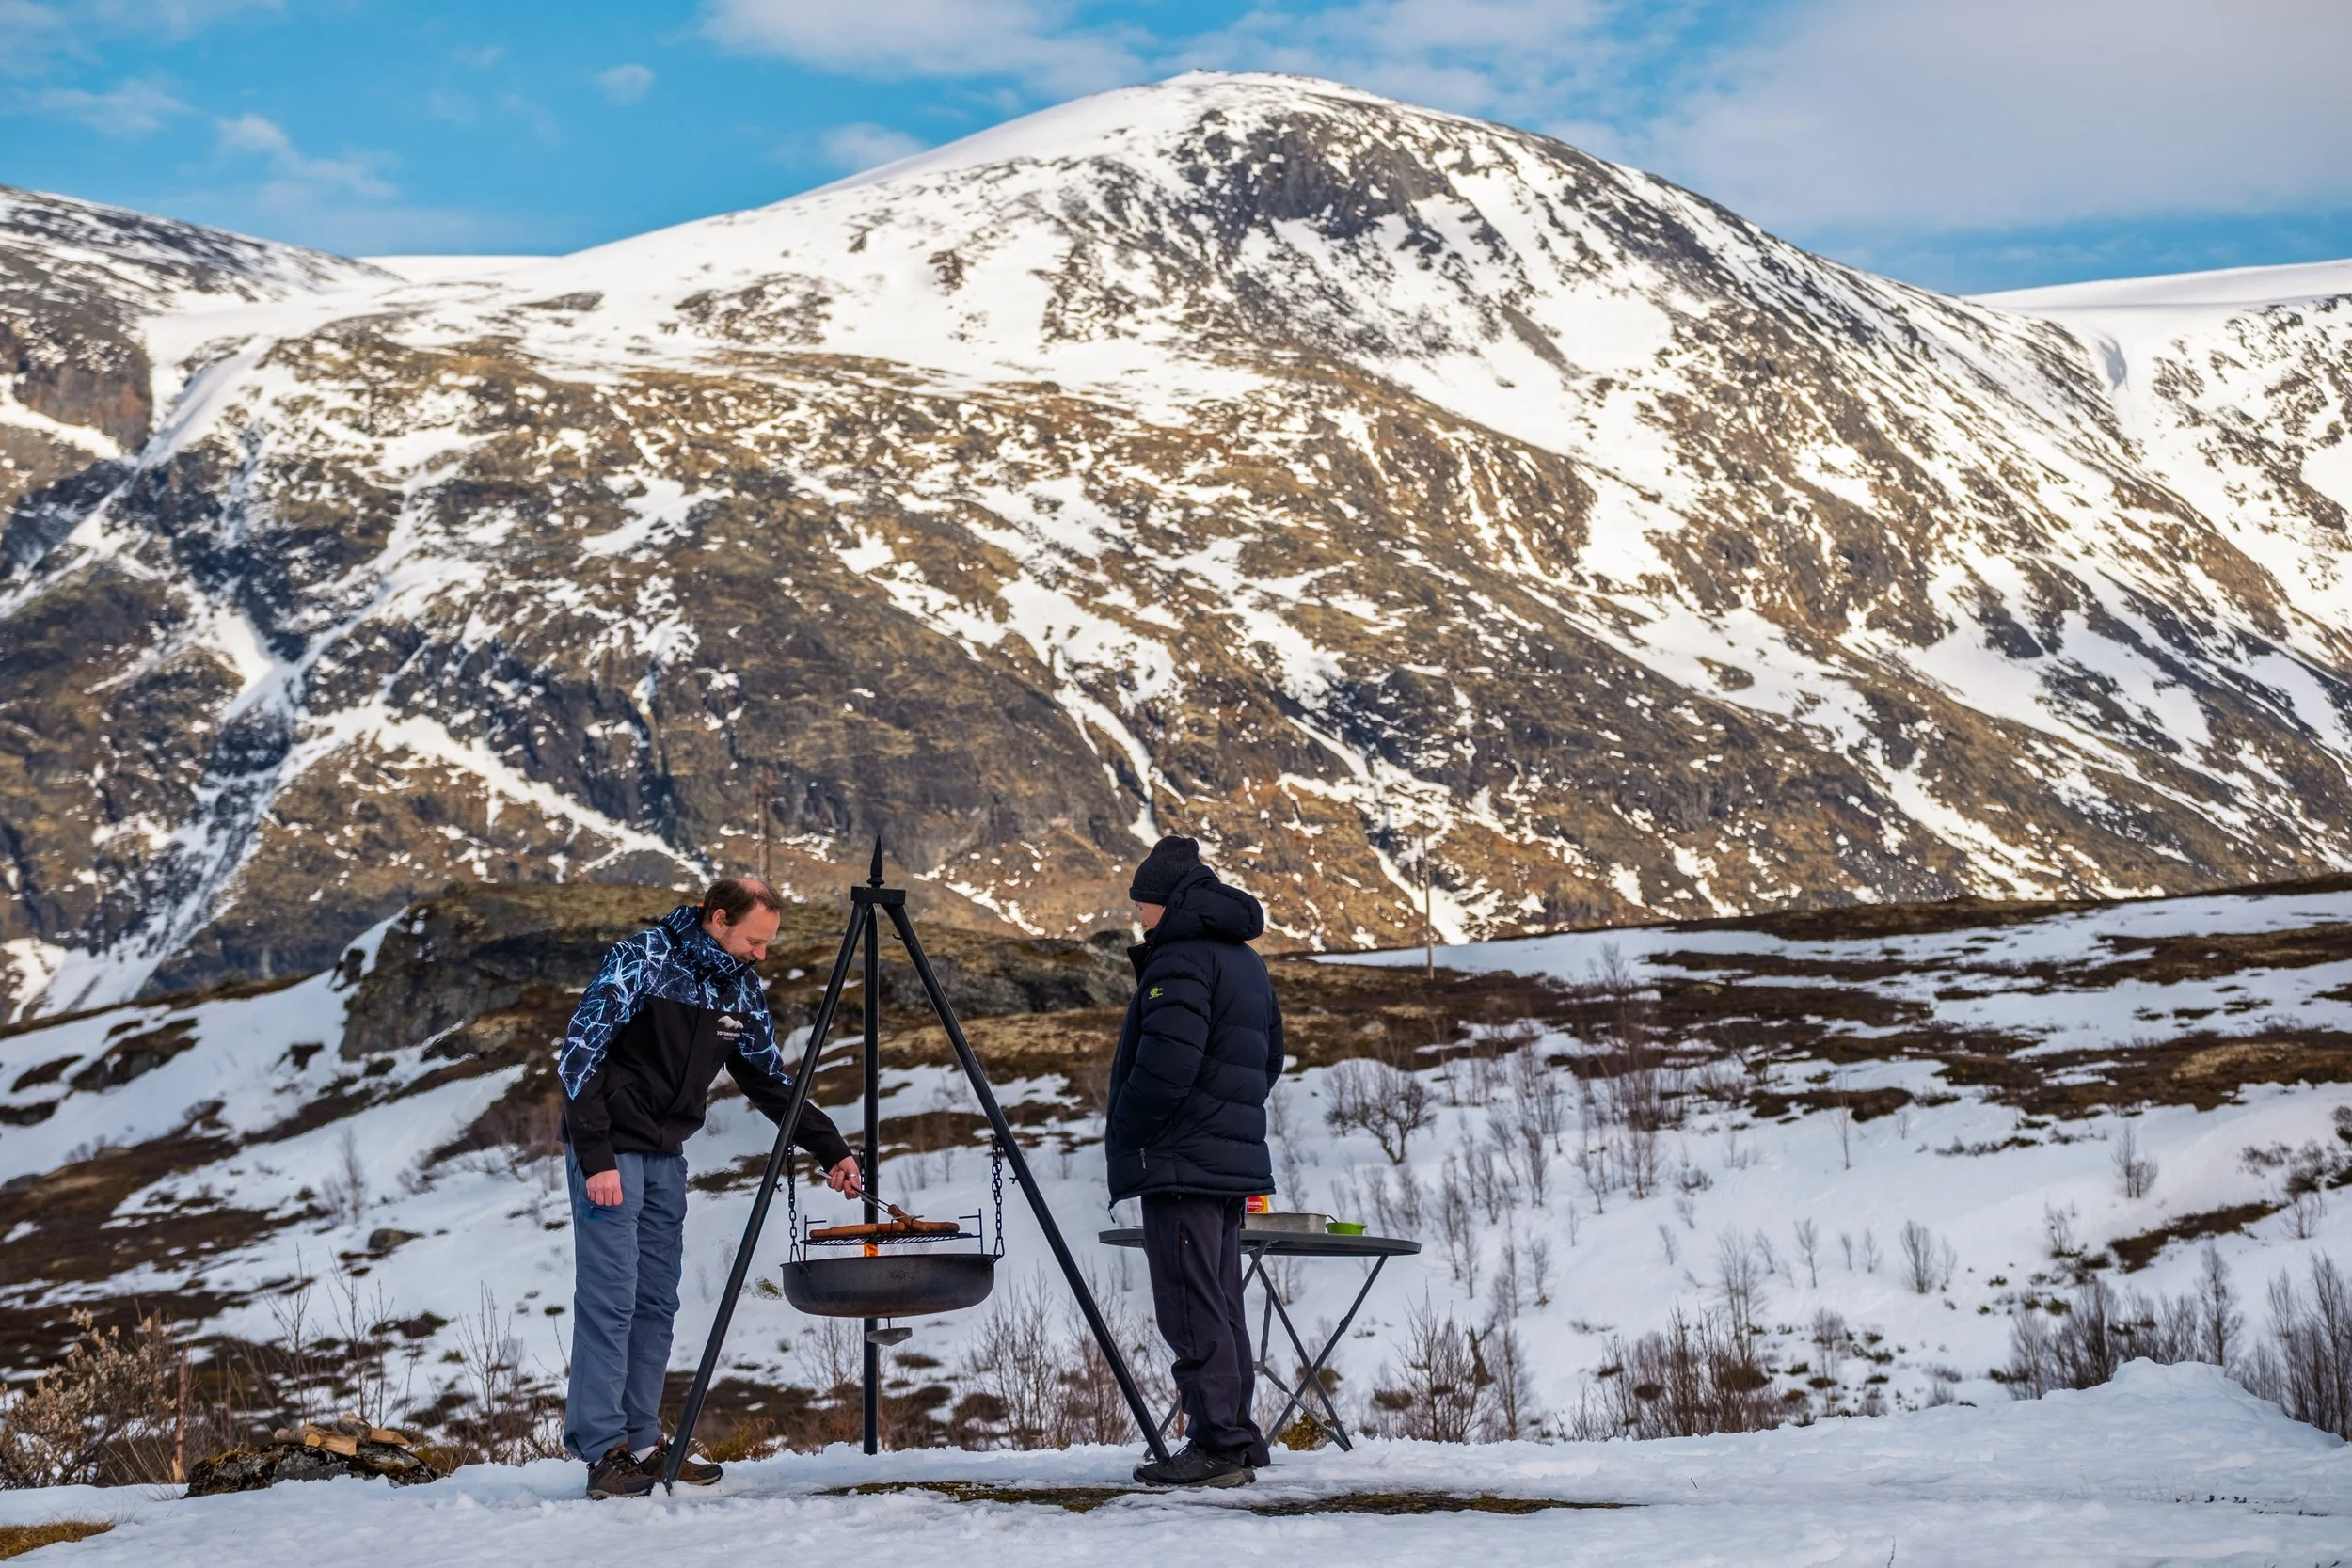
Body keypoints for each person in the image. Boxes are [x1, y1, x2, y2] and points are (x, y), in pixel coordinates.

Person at [556, 875, 862, 1499]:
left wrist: (832, 1149)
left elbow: (770, 1081)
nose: (762, 953)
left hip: (667, 1154)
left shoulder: (738, 987)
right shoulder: (642, 957)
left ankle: (642, 1441)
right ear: (718, 918)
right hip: (611, 1149)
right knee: (611, 1299)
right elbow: (579, 1053)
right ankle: (602, 1448)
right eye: (755, 939)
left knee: (655, 1303)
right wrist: (596, 1155)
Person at [1104, 834, 1283, 1488]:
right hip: (1225, 1158)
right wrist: (1225, 1116)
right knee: (1221, 1297)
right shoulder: (1243, 960)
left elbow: (1166, 1066)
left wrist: (1129, 1126)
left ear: (1164, 901)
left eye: (1142, 905)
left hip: (1180, 1160)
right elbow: (1269, 1059)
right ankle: (1237, 1438)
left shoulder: (1179, 960)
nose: (1139, 918)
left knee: (1189, 1301)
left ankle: (1217, 1444)